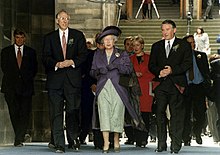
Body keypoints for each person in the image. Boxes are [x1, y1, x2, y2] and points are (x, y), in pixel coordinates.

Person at [42, 9, 88, 153]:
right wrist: (57, 64)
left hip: (72, 81)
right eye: (61, 18)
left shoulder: (78, 35)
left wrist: (71, 62)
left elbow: (83, 55)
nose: (64, 21)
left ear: (69, 20)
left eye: (66, 18)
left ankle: (73, 139)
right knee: (55, 113)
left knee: (72, 111)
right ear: (57, 20)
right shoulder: (49, 37)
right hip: (55, 81)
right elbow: (45, 57)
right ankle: (59, 143)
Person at [148, 19, 192, 154]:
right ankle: (161, 144)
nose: (165, 32)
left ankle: (175, 145)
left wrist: (172, 70)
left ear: (174, 30)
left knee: (176, 116)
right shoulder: (156, 46)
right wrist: (159, 72)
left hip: (177, 85)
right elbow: (151, 65)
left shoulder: (183, 45)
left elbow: (187, 63)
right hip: (161, 85)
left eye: (167, 29)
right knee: (159, 114)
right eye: (163, 29)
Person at [1, 28, 38, 147]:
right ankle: (19, 135)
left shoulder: (31, 52)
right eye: (17, 37)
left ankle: (19, 138)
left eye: (22, 37)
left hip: (26, 87)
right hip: (10, 87)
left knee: (24, 113)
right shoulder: (6, 52)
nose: (20, 40)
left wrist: (25, 78)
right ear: (14, 38)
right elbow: (4, 68)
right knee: (14, 112)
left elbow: (34, 69)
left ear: (25, 38)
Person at [182, 35, 211, 146]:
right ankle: (186, 137)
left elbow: (206, 72)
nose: (192, 44)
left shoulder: (201, 56)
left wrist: (207, 84)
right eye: (189, 43)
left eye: (193, 42)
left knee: (200, 113)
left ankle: (197, 132)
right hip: (186, 88)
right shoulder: (181, 58)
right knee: (186, 114)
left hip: (199, 87)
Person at [130, 35, 154, 147]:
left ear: (142, 45)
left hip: (145, 89)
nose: (135, 47)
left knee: (145, 114)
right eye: (134, 45)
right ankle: (137, 138)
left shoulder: (150, 58)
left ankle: (144, 138)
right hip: (134, 89)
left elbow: (153, 72)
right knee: (135, 113)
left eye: (138, 45)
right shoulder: (129, 59)